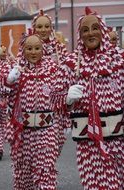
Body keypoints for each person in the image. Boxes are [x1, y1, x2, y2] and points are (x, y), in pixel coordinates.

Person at [51, 7, 124, 189]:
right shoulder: (70, 63)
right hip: (87, 143)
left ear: (103, 30)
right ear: (80, 35)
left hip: (118, 141)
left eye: (94, 28)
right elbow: (53, 99)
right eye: (85, 30)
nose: (90, 33)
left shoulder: (119, 60)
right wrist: (66, 98)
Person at [5, 29, 59, 190]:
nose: (33, 52)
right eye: (29, 48)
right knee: (24, 176)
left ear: (43, 50)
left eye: (37, 48)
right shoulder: (17, 71)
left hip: (46, 130)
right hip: (23, 131)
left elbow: (61, 96)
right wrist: (7, 81)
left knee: (45, 172)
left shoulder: (53, 70)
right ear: (23, 50)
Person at [32, 9, 70, 154]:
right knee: (42, 144)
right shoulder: (28, 48)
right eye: (40, 26)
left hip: (57, 101)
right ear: (34, 28)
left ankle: (48, 167)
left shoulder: (59, 48)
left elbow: (67, 71)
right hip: (36, 101)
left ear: (51, 28)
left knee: (58, 142)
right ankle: (44, 170)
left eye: (46, 26)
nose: (43, 30)